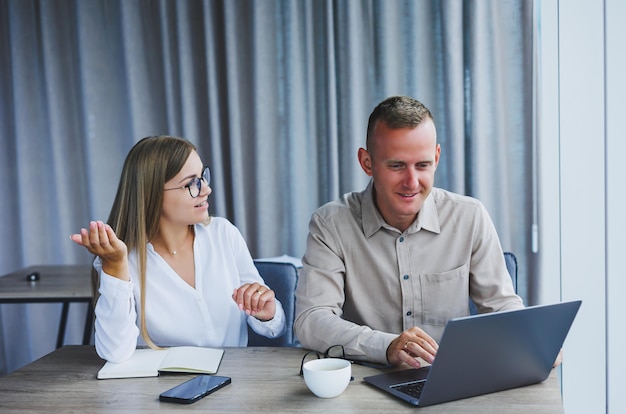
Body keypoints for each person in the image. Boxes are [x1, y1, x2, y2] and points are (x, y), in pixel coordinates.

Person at [294, 96, 524, 370]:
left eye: (423, 165)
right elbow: (311, 319)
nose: (412, 182)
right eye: (396, 165)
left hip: (450, 382)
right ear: (367, 163)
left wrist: (529, 343)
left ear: (437, 158)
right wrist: (386, 346)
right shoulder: (330, 223)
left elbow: (501, 308)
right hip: (365, 384)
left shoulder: (470, 216)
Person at [70, 136, 285, 363]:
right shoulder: (120, 260)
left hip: (233, 381)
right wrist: (115, 267)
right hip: (159, 391)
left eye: (203, 177)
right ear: (152, 193)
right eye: (191, 183)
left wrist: (267, 312)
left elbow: (275, 326)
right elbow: (115, 353)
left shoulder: (223, 234)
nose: (207, 189)